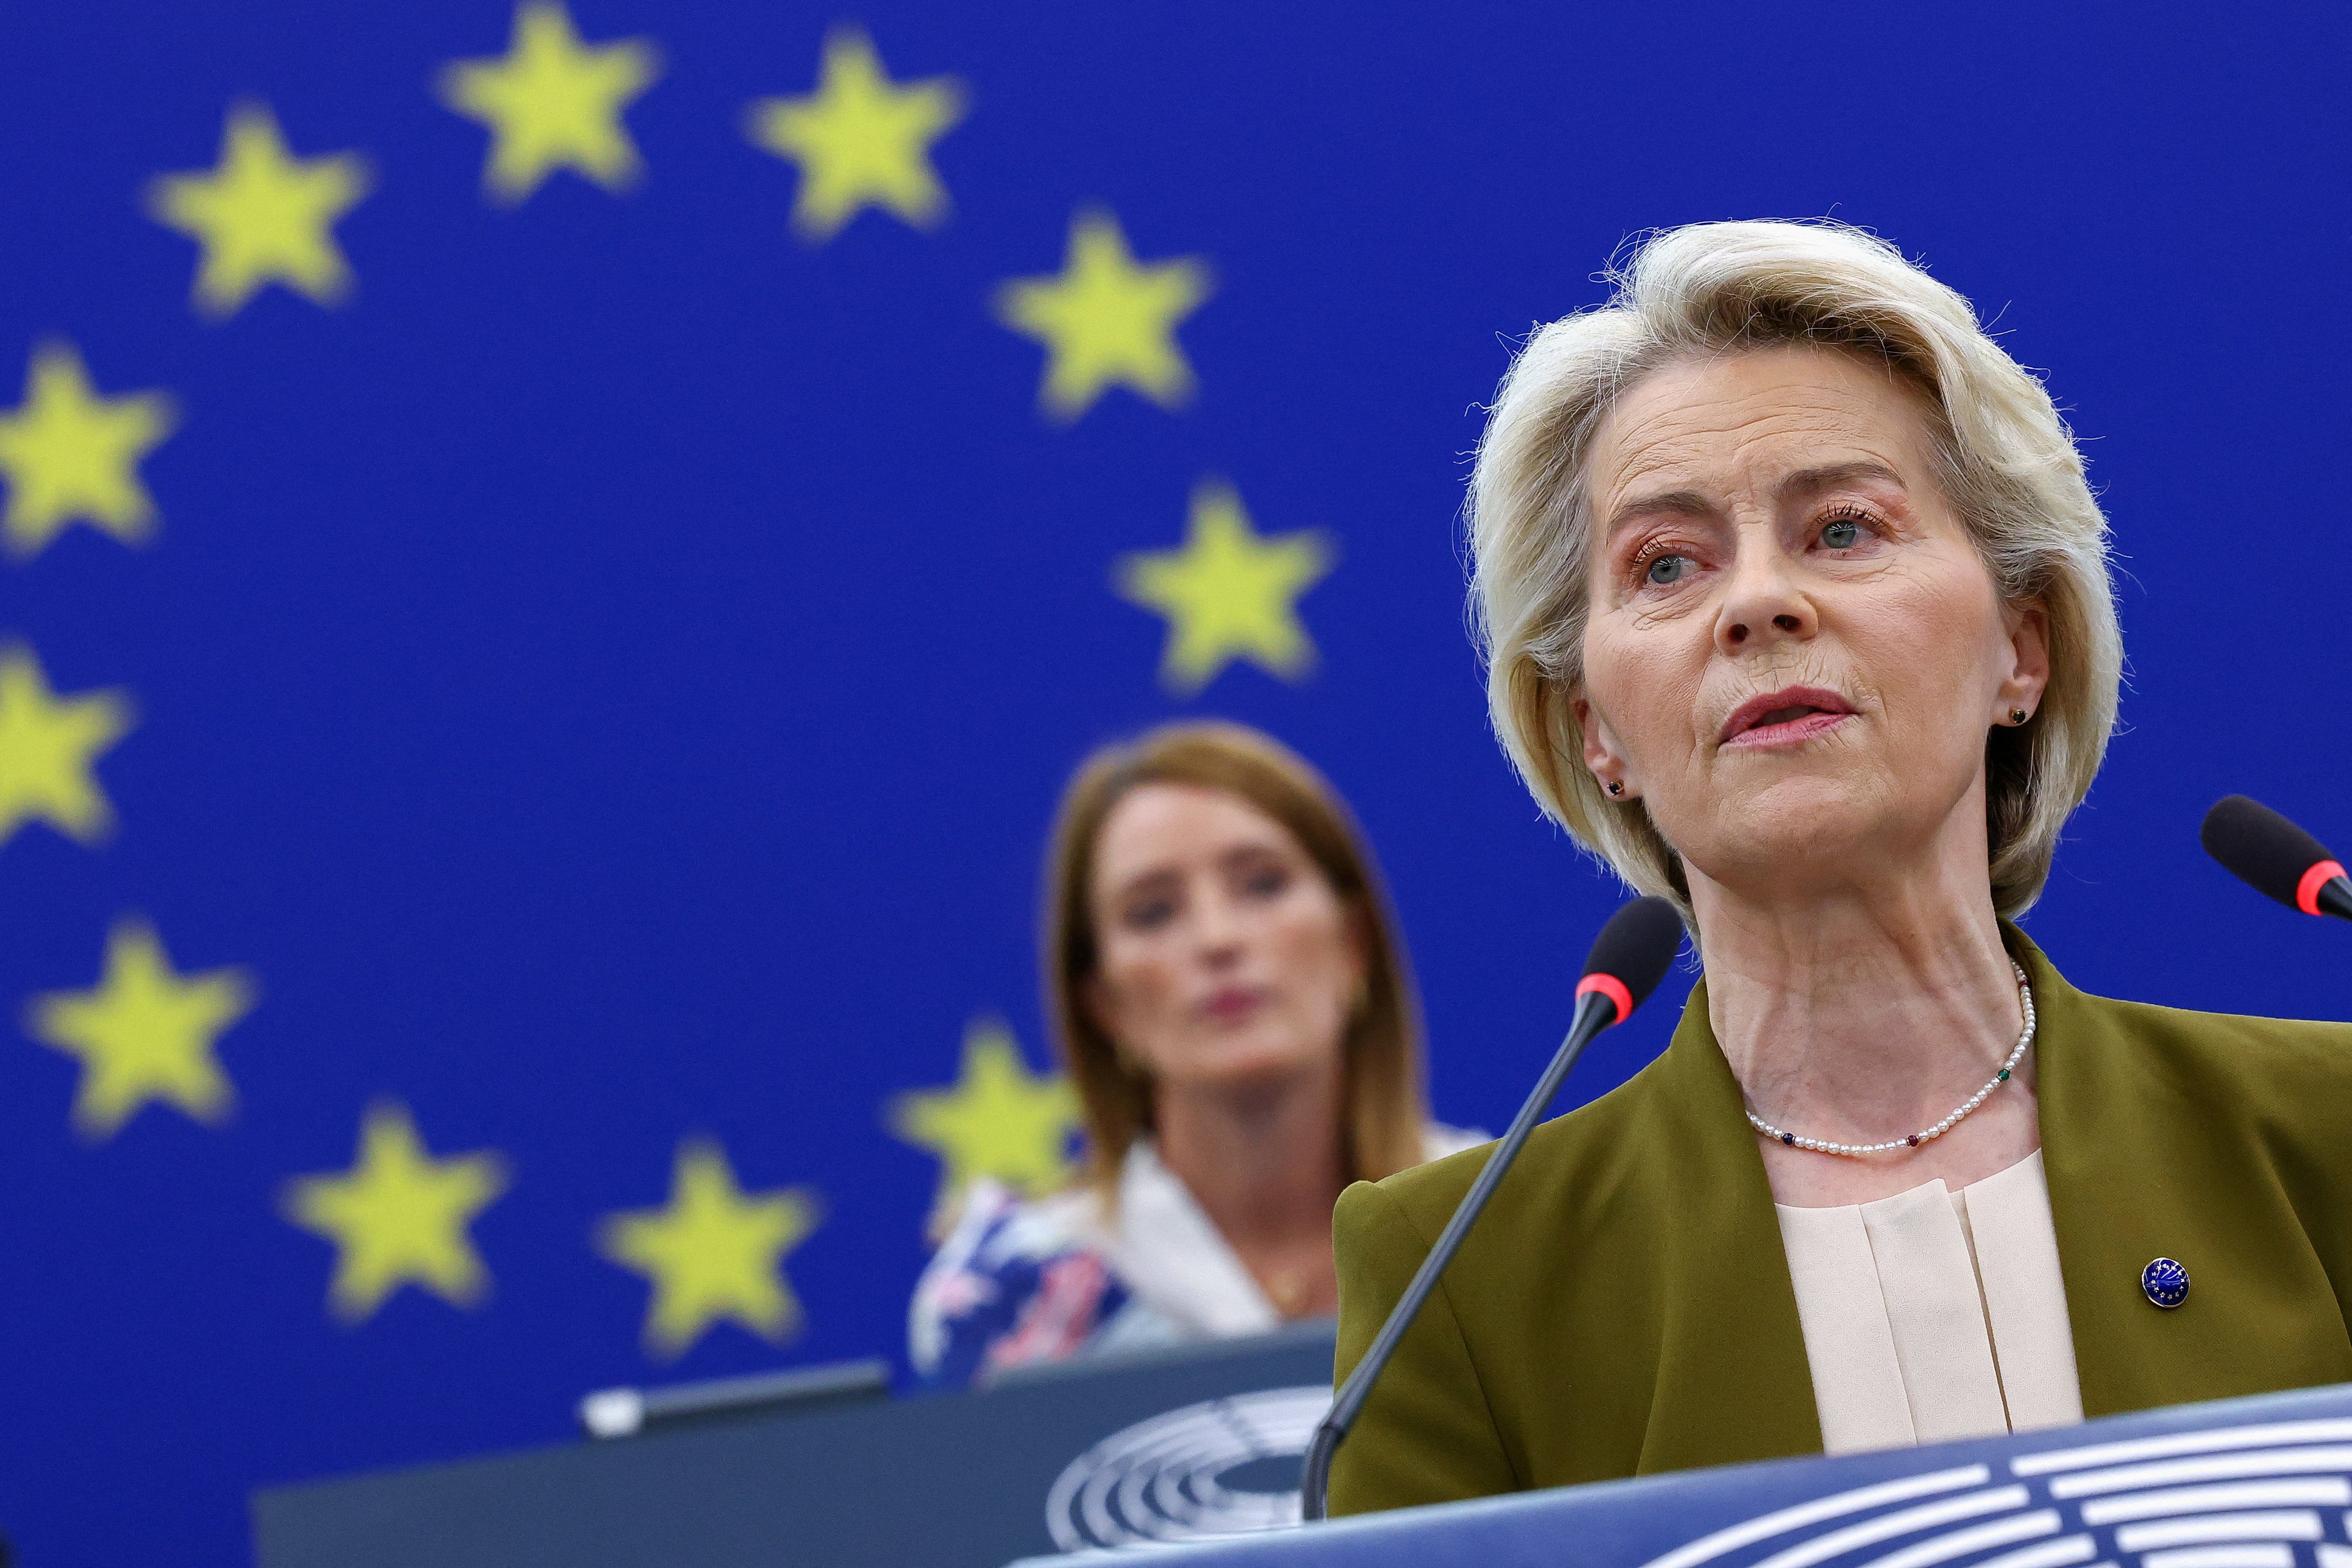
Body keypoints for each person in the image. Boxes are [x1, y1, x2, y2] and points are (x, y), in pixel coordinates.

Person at [1330, 220, 2352, 1513]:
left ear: (2021, 649)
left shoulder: (2326, 1143)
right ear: (1595, 728)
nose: (1757, 604)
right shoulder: (1466, 1280)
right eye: (1666, 564)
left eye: (1844, 531)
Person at [910, 721, 1479, 1387]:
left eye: (1263, 885)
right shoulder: (1019, 1289)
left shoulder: (1502, 1220)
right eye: (1153, 913)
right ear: (1106, 1006)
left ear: (1354, 944)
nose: (1217, 939)